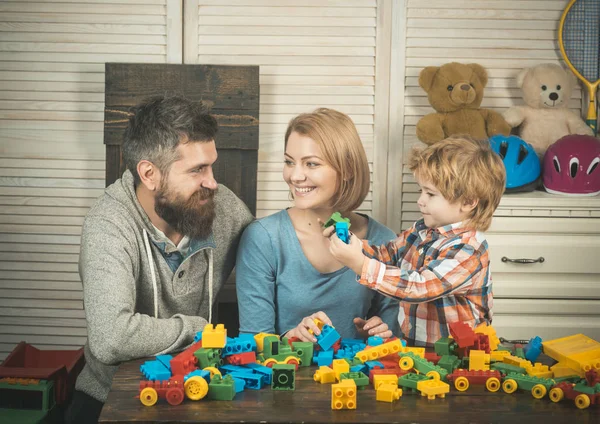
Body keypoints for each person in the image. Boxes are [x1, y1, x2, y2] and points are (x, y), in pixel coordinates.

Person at [65, 96, 253, 423]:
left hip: (199, 390)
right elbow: (111, 338)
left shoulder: (225, 210)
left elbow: (273, 255)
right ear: (150, 174)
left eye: (211, 165)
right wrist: (197, 330)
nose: (212, 182)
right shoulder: (107, 225)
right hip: (111, 396)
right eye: (197, 170)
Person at [236, 108, 399, 342]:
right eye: (289, 162)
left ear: (348, 169)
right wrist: (289, 338)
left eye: (311, 164)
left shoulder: (384, 240)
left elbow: (396, 335)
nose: (295, 176)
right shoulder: (264, 238)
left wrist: (379, 333)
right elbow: (252, 341)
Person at [326, 135, 506, 347]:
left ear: (467, 202)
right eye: (422, 191)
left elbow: (419, 287)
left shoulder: (468, 249)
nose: (420, 200)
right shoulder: (423, 229)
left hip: (458, 352)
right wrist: (355, 245)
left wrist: (360, 264)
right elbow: (388, 254)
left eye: (430, 194)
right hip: (415, 344)